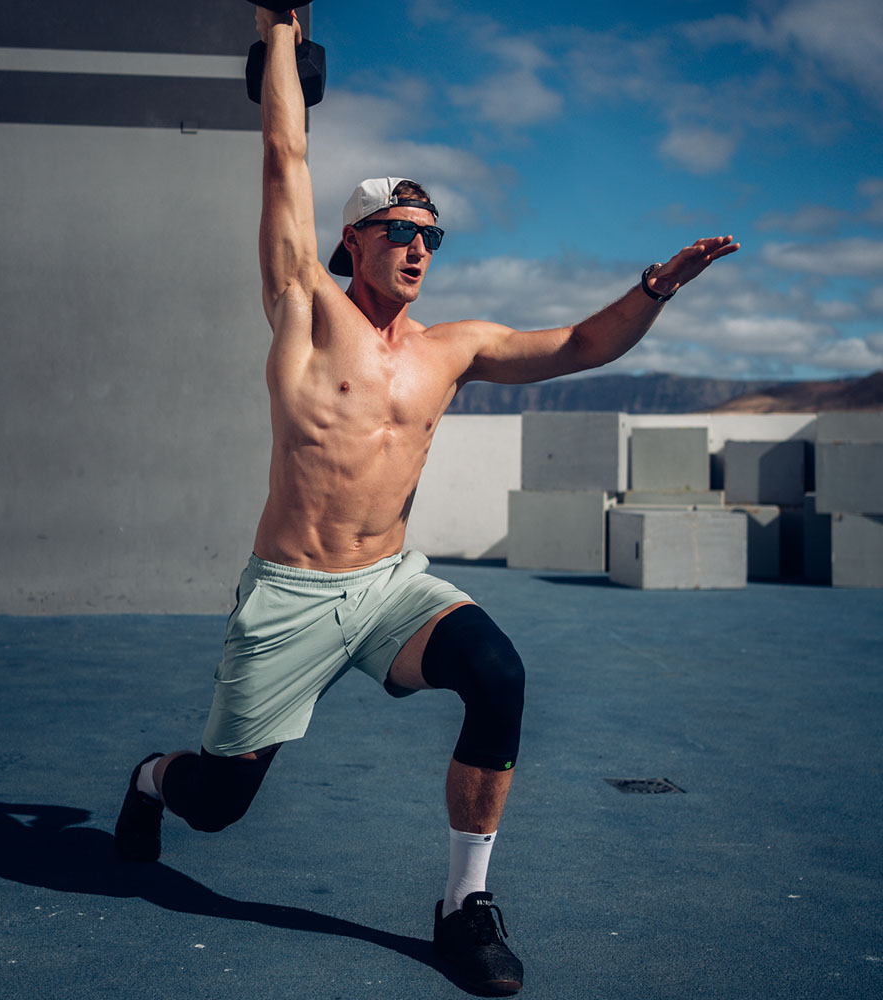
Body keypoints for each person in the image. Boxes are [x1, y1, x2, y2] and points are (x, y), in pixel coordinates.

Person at [115, 8, 740, 996]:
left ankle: (463, 903)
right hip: (290, 595)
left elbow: (578, 346)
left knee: (498, 673)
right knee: (219, 801)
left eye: (429, 235)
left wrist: (654, 287)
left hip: (389, 585)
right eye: (397, 231)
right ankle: (153, 777)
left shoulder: (453, 346)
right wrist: (281, 33)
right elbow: (283, 151)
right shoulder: (304, 311)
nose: (417, 247)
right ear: (351, 243)